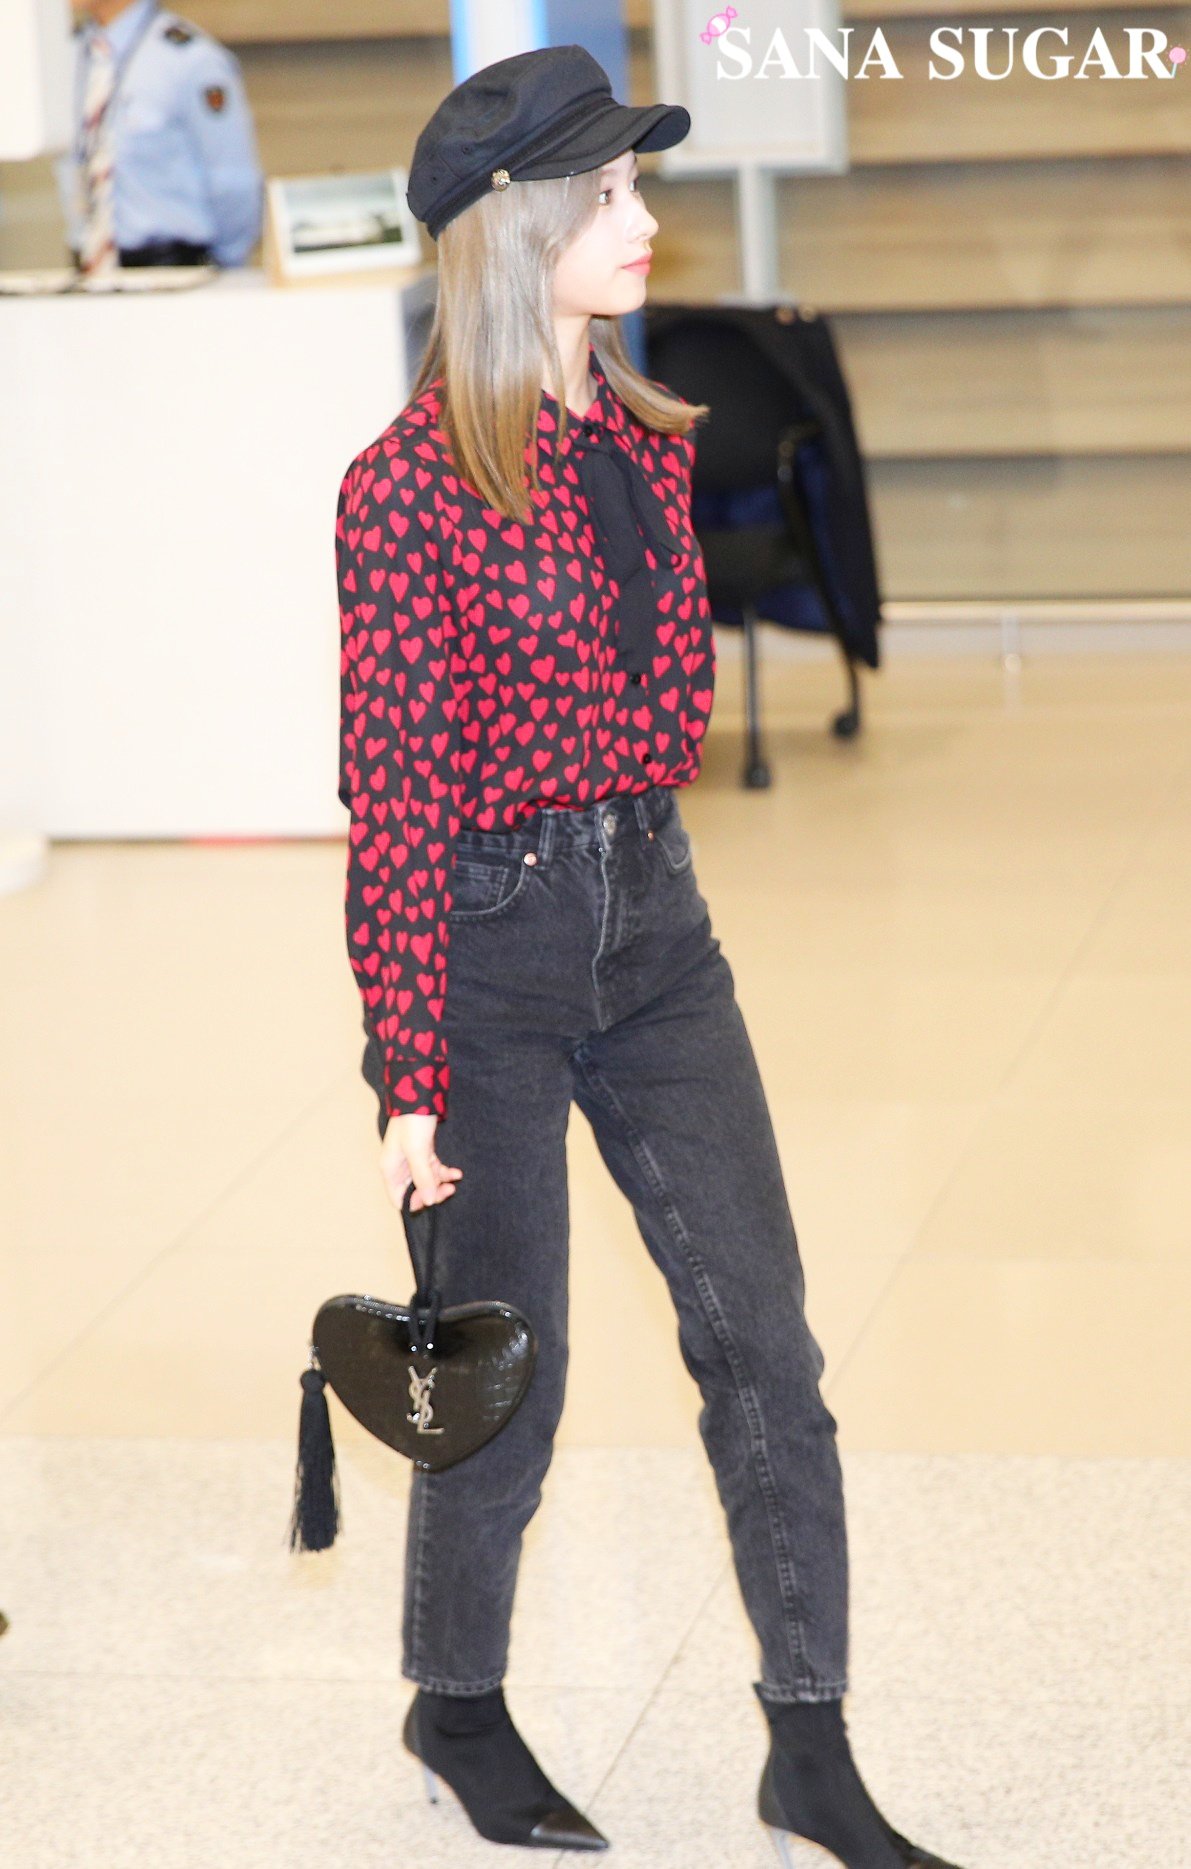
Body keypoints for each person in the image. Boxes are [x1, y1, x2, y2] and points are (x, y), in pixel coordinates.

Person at [334, 43, 968, 1869]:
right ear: (518, 228)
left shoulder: (646, 443)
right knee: (504, 1368)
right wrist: (410, 1073)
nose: (645, 221)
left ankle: (808, 1743)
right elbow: (395, 794)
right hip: (489, 942)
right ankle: (457, 1701)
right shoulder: (402, 493)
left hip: (658, 922)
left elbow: (662, 716)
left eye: (637, 188)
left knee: (764, 1340)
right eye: (610, 195)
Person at [54, 0, 263, 274]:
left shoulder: (189, 59)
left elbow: (233, 184)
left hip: (171, 272)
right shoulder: (66, 56)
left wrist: (224, 268)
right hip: (88, 272)